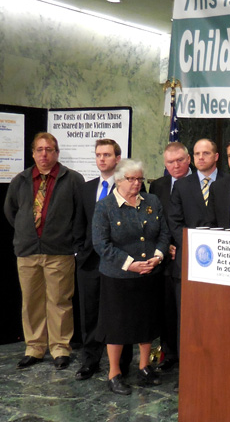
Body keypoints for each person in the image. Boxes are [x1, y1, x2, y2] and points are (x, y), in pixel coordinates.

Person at [4, 132, 84, 370]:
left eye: (49, 149)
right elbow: (11, 212)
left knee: (59, 301)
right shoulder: (21, 180)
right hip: (28, 251)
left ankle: (60, 348)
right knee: (31, 302)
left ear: (56, 153)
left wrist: (69, 240)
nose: (44, 154)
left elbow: (80, 215)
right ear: (33, 153)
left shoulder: (73, 179)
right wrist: (26, 233)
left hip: (59, 252)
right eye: (39, 149)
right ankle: (35, 348)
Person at [92, 159, 170, 395]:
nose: (137, 183)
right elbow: (101, 244)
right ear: (118, 180)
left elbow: (164, 233)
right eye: (131, 179)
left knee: (146, 322)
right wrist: (130, 265)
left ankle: (144, 366)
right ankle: (114, 373)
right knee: (116, 326)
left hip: (149, 273)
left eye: (139, 179)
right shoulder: (105, 207)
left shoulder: (152, 202)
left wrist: (157, 257)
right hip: (118, 277)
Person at [73, 139, 133, 380]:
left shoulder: (130, 186)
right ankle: (90, 359)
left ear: (117, 158)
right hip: (89, 262)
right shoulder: (87, 188)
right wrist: (79, 252)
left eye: (107, 155)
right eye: (98, 154)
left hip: (119, 262)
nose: (101, 159)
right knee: (89, 313)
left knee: (120, 312)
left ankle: (121, 363)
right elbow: (79, 223)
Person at [163, 138, 219, 373]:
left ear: (216, 156)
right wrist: (194, 245)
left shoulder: (228, 183)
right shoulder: (183, 186)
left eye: (206, 153)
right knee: (186, 319)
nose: (201, 158)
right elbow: (174, 222)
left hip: (220, 266)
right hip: (188, 262)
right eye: (197, 154)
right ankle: (187, 371)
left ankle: (215, 366)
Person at [149, 141, 191, 370]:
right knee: (167, 309)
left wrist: (181, 246)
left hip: (191, 257)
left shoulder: (202, 183)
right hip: (165, 259)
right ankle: (169, 352)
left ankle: (187, 355)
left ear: (188, 160)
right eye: (170, 162)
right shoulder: (158, 186)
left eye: (180, 160)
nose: (175, 165)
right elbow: (156, 221)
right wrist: (165, 247)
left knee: (187, 311)